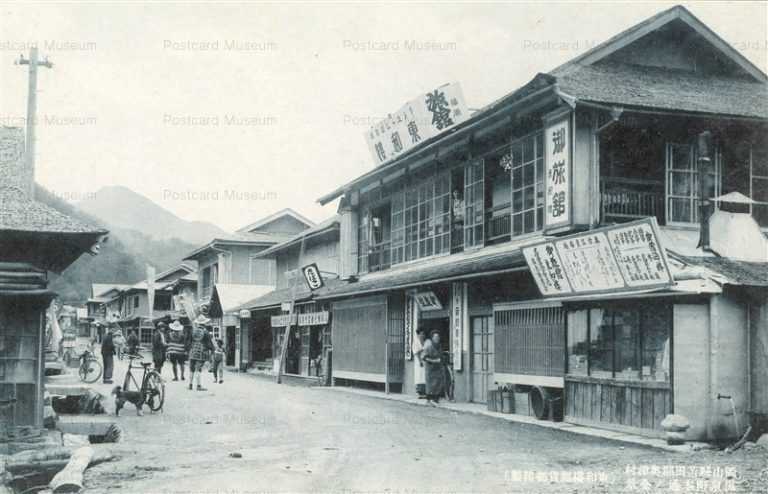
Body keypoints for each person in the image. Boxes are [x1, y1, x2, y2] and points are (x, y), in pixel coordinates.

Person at [188, 315, 215, 391]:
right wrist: (212, 350)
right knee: (198, 369)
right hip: (201, 352)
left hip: (193, 351)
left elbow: (189, 341)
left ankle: (190, 385)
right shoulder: (206, 332)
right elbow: (209, 344)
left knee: (191, 369)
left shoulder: (193, 331)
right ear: (204, 323)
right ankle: (198, 385)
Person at [422, 330, 445, 405]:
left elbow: (441, 356)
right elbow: (424, 357)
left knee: (438, 383)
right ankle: (429, 400)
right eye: (435, 337)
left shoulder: (439, 346)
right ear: (432, 338)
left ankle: (435, 399)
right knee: (431, 385)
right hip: (430, 369)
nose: (437, 338)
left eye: (438, 337)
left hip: (438, 368)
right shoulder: (429, 347)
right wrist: (433, 361)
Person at [412, 329, 427, 398]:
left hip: (424, 360)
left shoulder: (424, 341)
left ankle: (424, 392)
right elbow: (416, 352)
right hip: (419, 361)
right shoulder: (416, 342)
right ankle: (420, 393)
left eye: (423, 334)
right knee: (419, 376)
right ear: (418, 334)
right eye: (421, 334)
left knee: (424, 376)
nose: (422, 335)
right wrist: (420, 361)